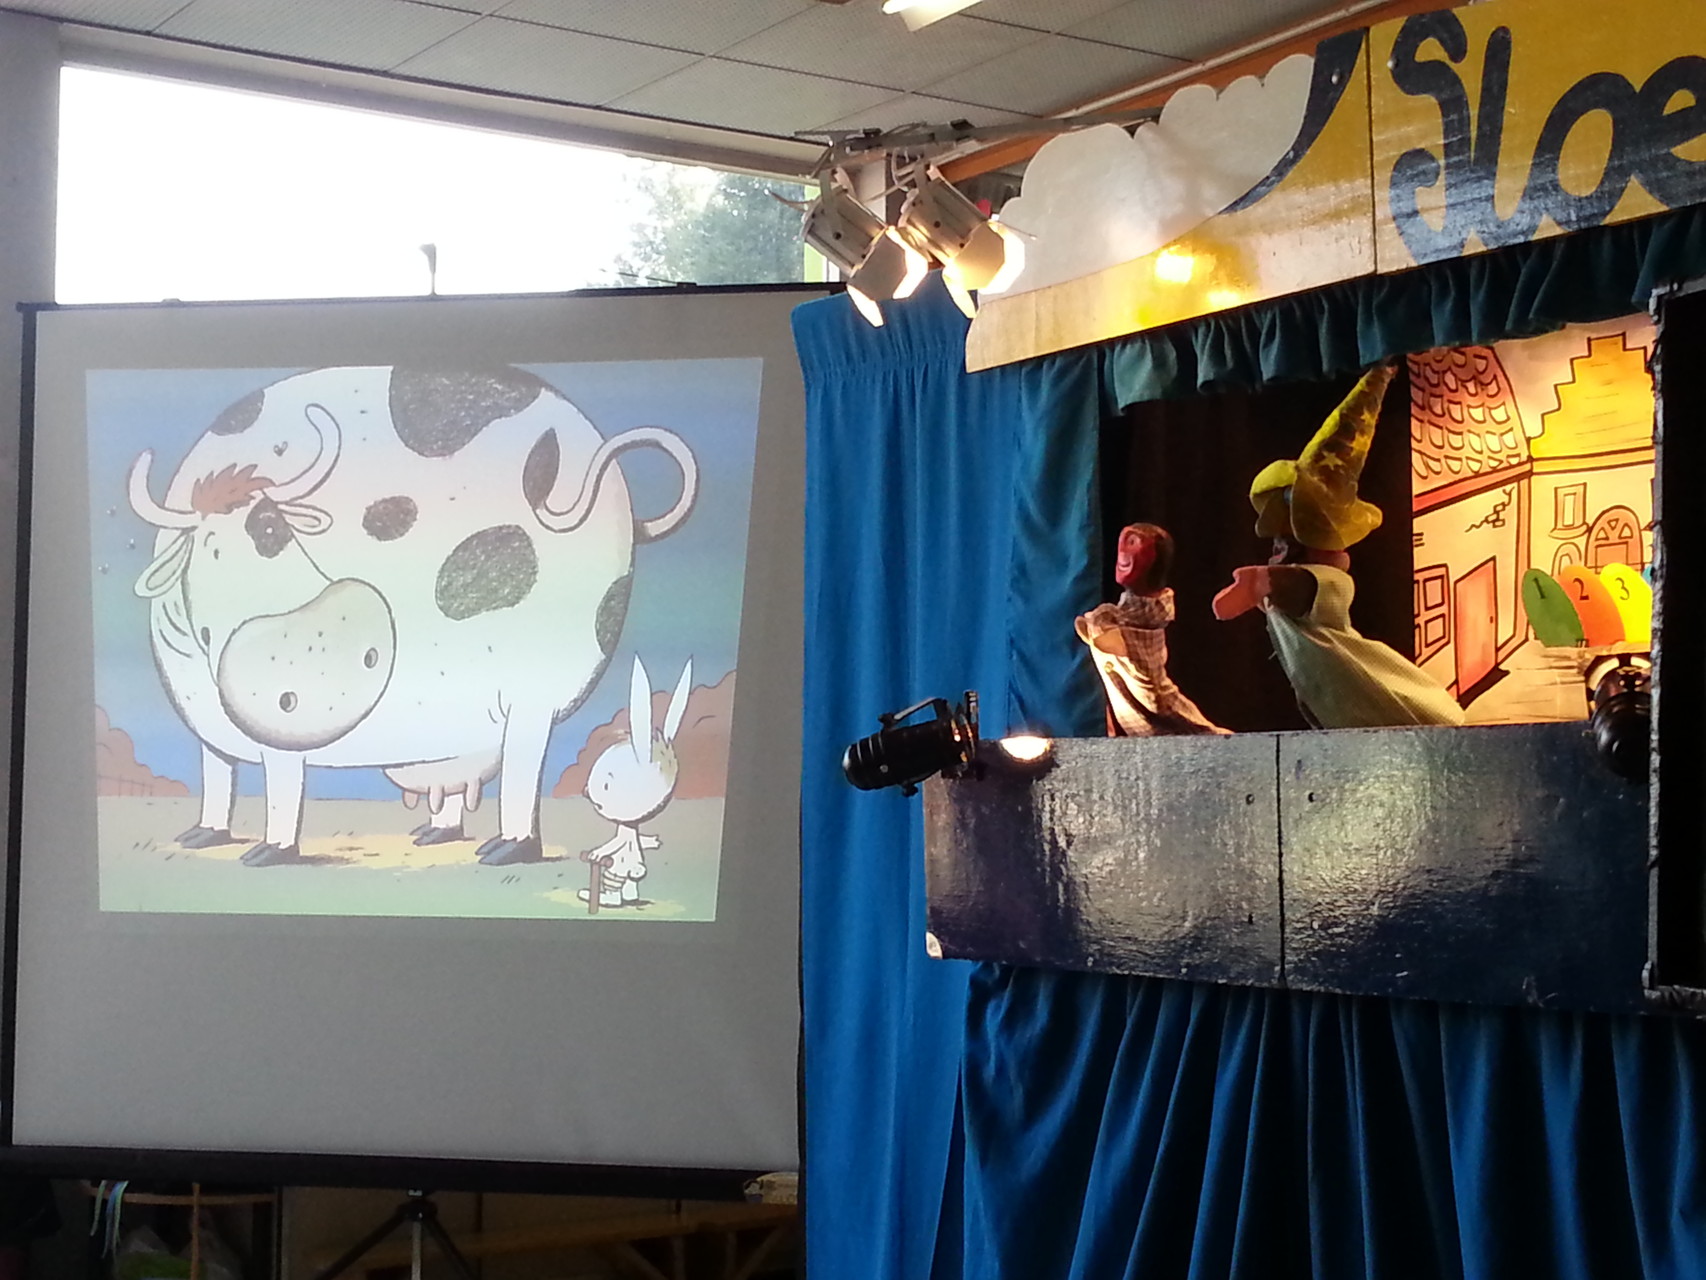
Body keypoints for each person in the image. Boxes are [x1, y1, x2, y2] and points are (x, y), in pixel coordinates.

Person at [1211, 363, 1465, 729]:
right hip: (1327, 673)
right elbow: (1289, 586)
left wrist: (1257, 585)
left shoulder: (1325, 585)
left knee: (1380, 697)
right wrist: (1258, 586)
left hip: (1343, 669)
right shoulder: (1317, 584)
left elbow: (1290, 585)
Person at [1076, 522, 1228, 736]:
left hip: (1172, 731)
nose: (1123, 551)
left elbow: (1157, 697)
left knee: (1160, 701)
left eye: (1132, 543)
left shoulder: (1133, 624)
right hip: (1142, 734)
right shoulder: (1114, 619)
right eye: (1124, 542)